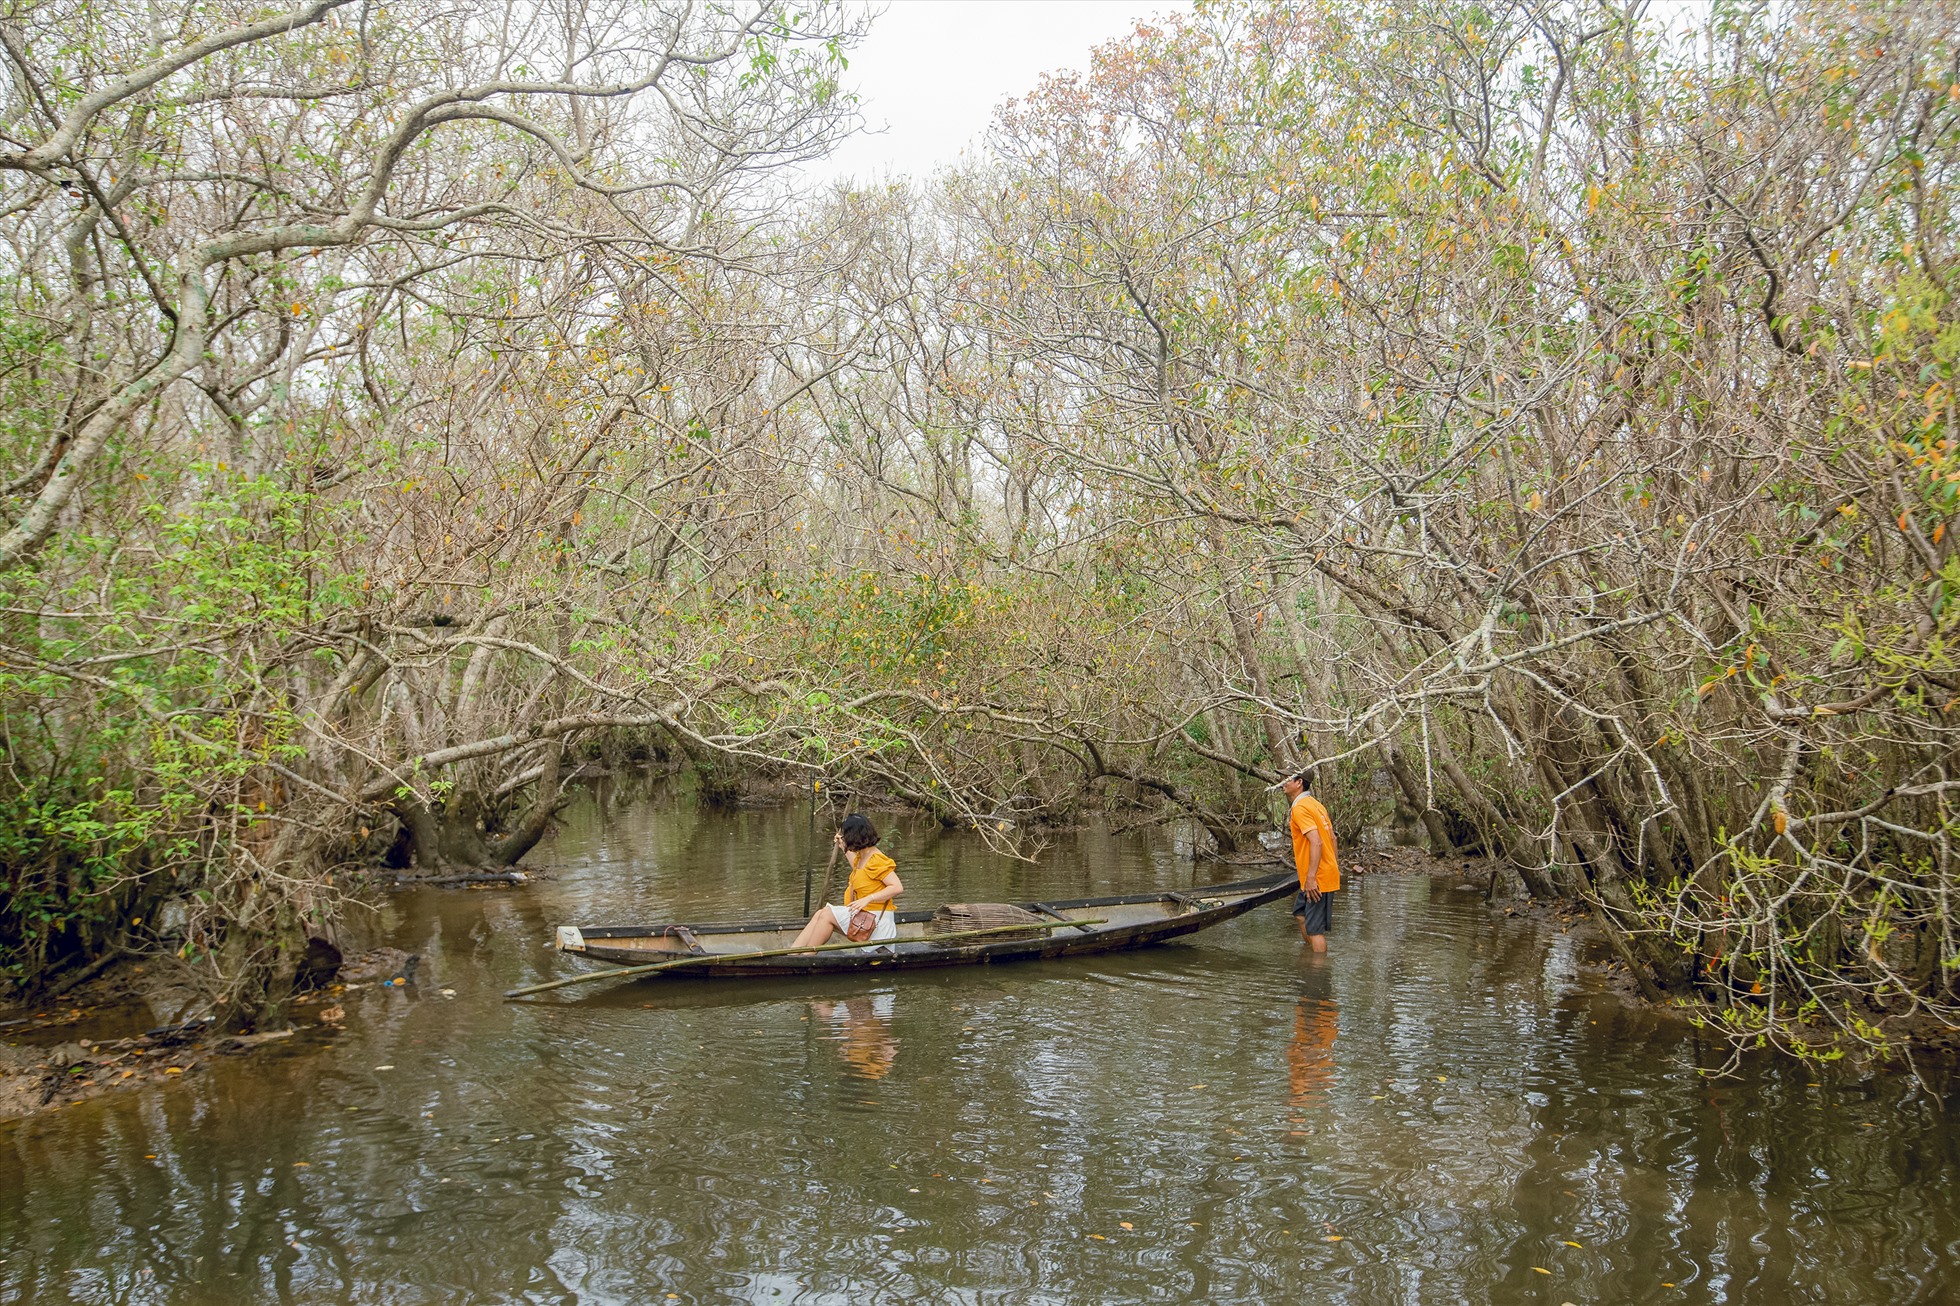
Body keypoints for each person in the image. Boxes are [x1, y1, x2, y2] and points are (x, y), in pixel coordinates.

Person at [792, 813, 902, 949]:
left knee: (826, 914)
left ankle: (807, 955)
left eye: (846, 835)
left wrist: (868, 899)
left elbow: (897, 887)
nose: (845, 838)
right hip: (863, 917)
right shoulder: (862, 857)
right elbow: (859, 870)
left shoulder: (876, 859)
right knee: (820, 913)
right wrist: (842, 845)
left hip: (874, 920)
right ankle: (793, 952)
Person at [1282, 767, 1340, 952]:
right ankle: (1308, 957)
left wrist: (1312, 878)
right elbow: (1333, 838)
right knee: (1300, 915)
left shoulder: (1300, 808)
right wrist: (1333, 867)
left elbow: (1316, 842)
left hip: (1316, 878)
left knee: (1315, 930)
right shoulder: (1316, 805)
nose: (1283, 782)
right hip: (1320, 873)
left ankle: (1317, 973)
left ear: (1299, 782)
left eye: (1287, 778)